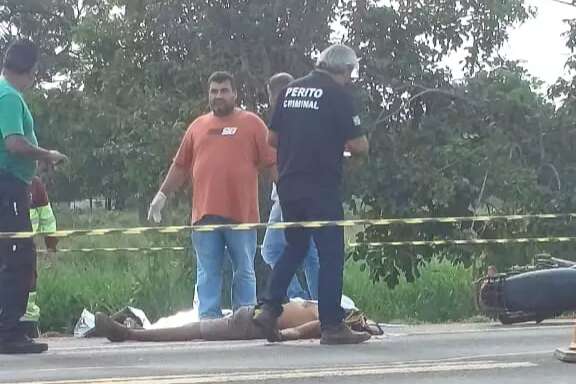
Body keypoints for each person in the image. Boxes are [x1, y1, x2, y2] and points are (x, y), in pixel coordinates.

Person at [254, 44, 370, 345]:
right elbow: (360, 146)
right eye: (349, 74)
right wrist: (333, 144)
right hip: (321, 186)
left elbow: (272, 138)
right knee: (331, 255)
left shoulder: (290, 90)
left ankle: (268, 308)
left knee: (295, 246)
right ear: (344, 70)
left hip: (289, 185)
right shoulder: (338, 94)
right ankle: (332, 326)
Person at [147, 71, 276, 320]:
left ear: (234, 94)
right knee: (207, 271)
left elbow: (272, 162)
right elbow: (180, 165)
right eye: (214, 91)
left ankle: (244, 318)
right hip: (205, 215)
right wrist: (162, 195)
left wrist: (285, 192)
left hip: (243, 214)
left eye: (224, 90)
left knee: (245, 271)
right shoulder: (198, 126)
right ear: (208, 95)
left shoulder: (252, 123)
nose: (219, 96)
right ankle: (208, 320)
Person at [0, 39, 67, 354]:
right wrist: (47, 154)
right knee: (19, 257)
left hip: (12, 184)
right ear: (30, 71)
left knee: (13, 255)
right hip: (8, 185)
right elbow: (14, 143)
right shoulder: (9, 96)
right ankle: (8, 332)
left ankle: (11, 328)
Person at [262, 72, 319, 300]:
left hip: (288, 194)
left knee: (272, 249)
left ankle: (300, 297)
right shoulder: (307, 116)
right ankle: (317, 300)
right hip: (312, 192)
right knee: (310, 251)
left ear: (273, 94)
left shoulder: (285, 118)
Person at [93, 299, 381, 343]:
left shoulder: (333, 313)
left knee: (191, 331)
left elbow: (313, 327)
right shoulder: (327, 305)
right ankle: (130, 331)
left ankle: (128, 334)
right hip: (252, 313)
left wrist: (290, 334)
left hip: (252, 323)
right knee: (192, 329)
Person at [20, 175, 59, 338]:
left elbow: (47, 220)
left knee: (29, 284)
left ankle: (28, 327)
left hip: (25, 247)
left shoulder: (35, 185)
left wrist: (51, 247)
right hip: (7, 245)